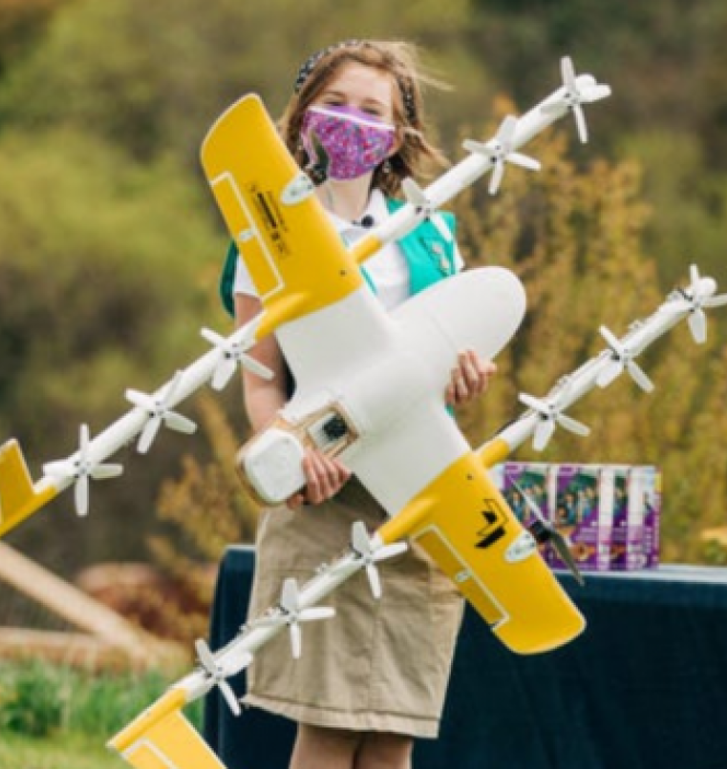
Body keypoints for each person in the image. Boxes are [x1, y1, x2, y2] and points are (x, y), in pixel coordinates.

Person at [221, 40, 497, 770]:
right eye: (334, 104)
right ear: (302, 115)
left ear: (399, 133)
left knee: (391, 733)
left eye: (372, 110)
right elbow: (259, 381)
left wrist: (466, 378)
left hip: (416, 496)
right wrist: (293, 455)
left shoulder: (432, 232)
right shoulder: (271, 235)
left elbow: (436, 364)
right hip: (326, 496)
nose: (351, 122)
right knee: (329, 724)